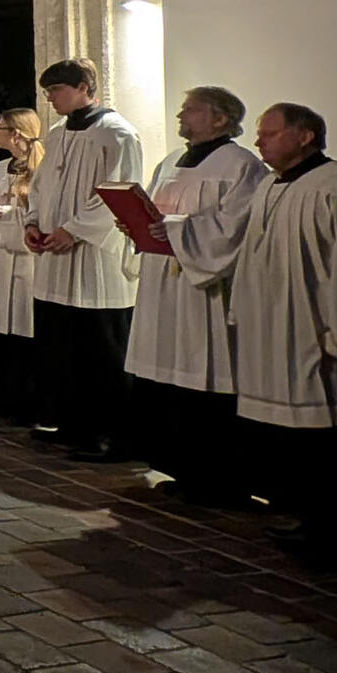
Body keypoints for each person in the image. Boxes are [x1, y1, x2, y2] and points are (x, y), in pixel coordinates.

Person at [207, 104, 337, 553]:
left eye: (269, 134)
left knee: (324, 438)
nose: (258, 142)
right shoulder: (269, 185)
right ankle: (306, 516)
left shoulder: (335, 184)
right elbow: (251, 255)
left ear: (305, 136)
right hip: (272, 329)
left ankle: (331, 530)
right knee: (288, 439)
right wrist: (243, 312)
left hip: (314, 329)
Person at [130, 88, 270, 503]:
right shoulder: (171, 161)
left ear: (221, 119)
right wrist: (136, 223)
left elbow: (236, 227)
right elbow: (153, 212)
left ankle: (217, 478)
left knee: (205, 375)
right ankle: (181, 467)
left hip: (203, 288)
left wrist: (174, 230)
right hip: (164, 284)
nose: (181, 115)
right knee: (167, 376)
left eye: (191, 110)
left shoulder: (241, 165)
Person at [23, 57, 144, 461]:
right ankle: (70, 424)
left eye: (56, 90)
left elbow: (119, 191)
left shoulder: (117, 134)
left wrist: (73, 230)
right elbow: (40, 186)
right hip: (55, 259)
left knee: (101, 349)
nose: (50, 99)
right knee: (61, 348)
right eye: (47, 91)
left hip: (95, 260)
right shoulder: (58, 134)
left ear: (84, 88)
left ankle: (111, 435)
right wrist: (33, 222)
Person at [0, 109, 43, 420]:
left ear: (15, 133)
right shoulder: (0, 168)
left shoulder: (41, 169)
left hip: (27, 262)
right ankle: (0, 396)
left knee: (25, 330)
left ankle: (27, 401)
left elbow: (40, 214)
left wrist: (8, 214)